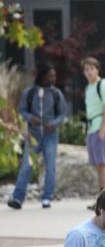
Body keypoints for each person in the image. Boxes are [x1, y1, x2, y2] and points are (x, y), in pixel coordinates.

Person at [8, 62, 67, 209]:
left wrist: (53, 123)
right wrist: (30, 118)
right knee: (26, 167)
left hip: (50, 136)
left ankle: (47, 198)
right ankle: (17, 198)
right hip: (33, 136)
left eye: (54, 75)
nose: (53, 78)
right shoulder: (30, 92)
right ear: (43, 76)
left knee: (50, 167)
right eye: (51, 75)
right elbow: (22, 109)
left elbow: (62, 114)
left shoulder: (56, 93)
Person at [82, 57, 105, 209]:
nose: (88, 72)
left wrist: (102, 129)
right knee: (97, 165)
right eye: (86, 69)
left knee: (102, 163)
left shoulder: (104, 84)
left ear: (97, 70)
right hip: (91, 129)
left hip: (101, 128)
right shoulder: (89, 87)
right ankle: (101, 200)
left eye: (91, 69)